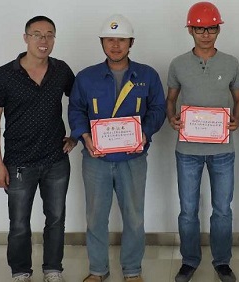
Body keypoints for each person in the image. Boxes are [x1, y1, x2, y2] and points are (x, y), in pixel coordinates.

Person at [68, 14, 166, 282]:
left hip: (133, 158)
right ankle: (97, 270)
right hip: (96, 159)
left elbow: (158, 108)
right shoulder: (86, 77)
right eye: (109, 39)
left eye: (121, 40)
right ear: (102, 42)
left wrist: (144, 133)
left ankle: (132, 270)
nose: (115, 45)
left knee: (134, 218)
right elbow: (76, 109)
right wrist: (85, 137)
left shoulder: (147, 75)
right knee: (95, 217)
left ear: (131, 42)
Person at [0, 16, 76, 282]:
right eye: (37, 34)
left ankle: (53, 269)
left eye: (49, 34)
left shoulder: (61, 70)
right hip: (18, 163)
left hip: (56, 160)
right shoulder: (4, 74)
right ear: (26, 38)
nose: (43, 40)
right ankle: (20, 271)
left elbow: (81, 101)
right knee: (19, 223)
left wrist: (76, 136)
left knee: (56, 219)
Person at [166, 2, 239, 282]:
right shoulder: (178, 64)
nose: (206, 34)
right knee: (188, 210)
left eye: (211, 28)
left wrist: (236, 119)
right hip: (187, 150)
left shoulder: (231, 63)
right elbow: (171, 100)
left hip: (223, 150)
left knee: (222, 209)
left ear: (218, 30)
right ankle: (189, 260)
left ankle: (222, 262)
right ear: (190, 30)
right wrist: (172, 118)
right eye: (200, 29)